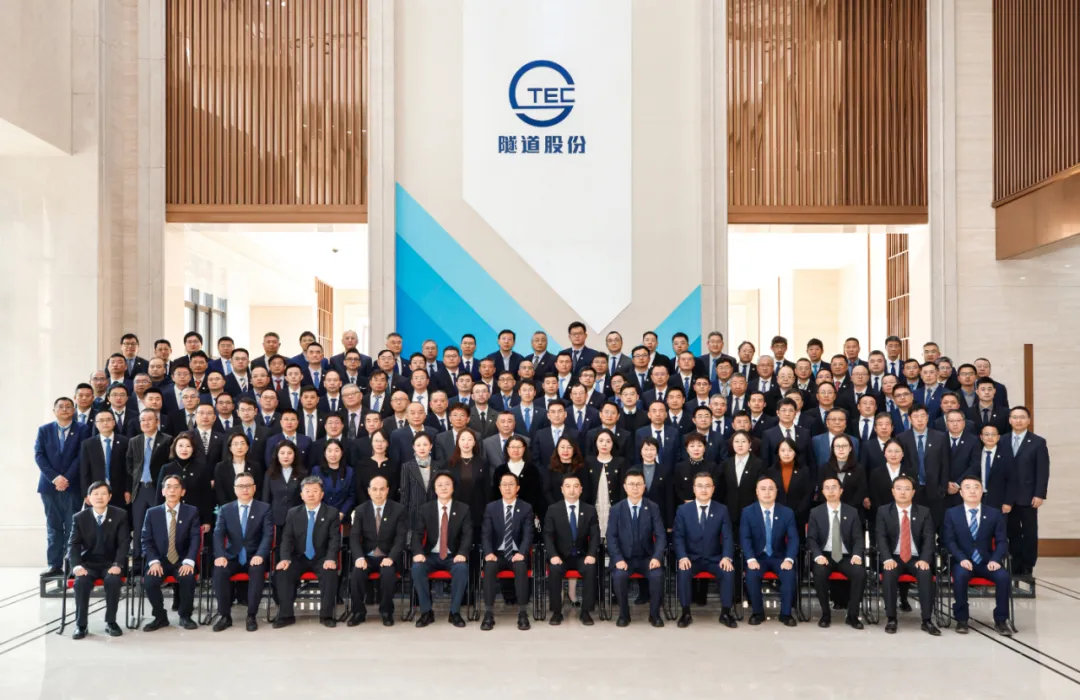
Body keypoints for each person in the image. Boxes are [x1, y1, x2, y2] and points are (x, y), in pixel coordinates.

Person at [943, 476, 1012, 636]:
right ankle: (961, 619)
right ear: (961, 492)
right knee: (960, 576)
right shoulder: (952, 513)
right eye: (967, 487)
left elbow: (1002, 541)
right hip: (963, 561)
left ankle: (1001, 620)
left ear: (982, 492)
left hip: (987, 562)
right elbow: (949, 541)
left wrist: (995, 559)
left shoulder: (994, 513)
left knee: (1003, 577)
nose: (972, 491)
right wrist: (961, 558)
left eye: (976, 487)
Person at [273, 476, 342, 628]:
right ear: (301, 495)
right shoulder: (293, 513)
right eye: (307, 491)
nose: (311, 494)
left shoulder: (331, 513)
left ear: (322, 494)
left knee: (329, 573)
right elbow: (287, 538)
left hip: (322, 557)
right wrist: (285, 558)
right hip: (299, 556)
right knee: (283, 572)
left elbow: (334, 539)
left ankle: (327, 616)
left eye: (315, 491)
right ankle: (286, 615)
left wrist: (331, 558)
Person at [876, 474, 940, 635]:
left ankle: (927, 620)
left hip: (916, 557)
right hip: (894, 557)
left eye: (906, 489)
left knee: (925, 573)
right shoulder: (883, 511)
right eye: (899, 489)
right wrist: (887, 558)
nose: (902, 492)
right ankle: (891, 618)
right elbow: (881, 537)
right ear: (893, 491)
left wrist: (925, 559)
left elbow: (929, 538)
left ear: (913, 492)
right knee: (889, 573)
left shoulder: (924, 512)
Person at [673, 473, 738, 629]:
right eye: (700, 486)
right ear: (694, 489)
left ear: (713, 489)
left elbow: (727, 536)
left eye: (707, 486)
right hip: (691, 558)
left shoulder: (722, 509)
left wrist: (727, 557)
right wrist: (682, 557)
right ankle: (686, 613)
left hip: (715, 558)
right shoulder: (683, 510)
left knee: (728, 571)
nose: (704, 490)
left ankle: (726, 613)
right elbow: (678, 537)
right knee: (683, 572)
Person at [35, 397, 91, 577]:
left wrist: (66, 478)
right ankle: (54, 564)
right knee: (53, 526)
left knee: (72, 527)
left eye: (68, 406)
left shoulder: (83, 429)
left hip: (72, 486)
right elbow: (39, 456)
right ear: (54, 411)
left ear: (74, 410)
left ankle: (71, 565)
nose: (65, 409)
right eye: (61, 407)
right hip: (49, 486)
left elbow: (82, 456)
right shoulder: (44, 430)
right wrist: (55, 478)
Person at [211, 472, 272, 632]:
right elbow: (218, 534)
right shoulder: (226, 509)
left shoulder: (264, 508)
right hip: (232, 556)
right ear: (235, 489)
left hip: (254, 556)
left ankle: (251, 615)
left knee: (257, 572)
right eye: (241, 486)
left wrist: (260, 554)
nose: (245, 489)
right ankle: (225, 616)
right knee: (219, 572)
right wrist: (220, 555)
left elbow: (268, 535)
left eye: (248, 486)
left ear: (254, 488)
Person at [68, 481, 129, 639]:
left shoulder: (120, 515)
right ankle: (81, 625)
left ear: (109, 497)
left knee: (113, 581)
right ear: (89, 498)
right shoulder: (79, 518)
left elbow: (124, 543)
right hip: (88, 564)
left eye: (103, 493)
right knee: (81, 582)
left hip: (110, 563)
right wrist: (76, 566)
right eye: (95, 494)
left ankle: (111, 622)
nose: (99, 497)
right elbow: (73, 545)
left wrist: (118, 564)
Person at [411, 471, 473, 628]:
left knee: (461, 568)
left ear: (453, 488)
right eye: (439, 485)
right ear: (434, 489)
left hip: (453, 555)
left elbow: (467, 535)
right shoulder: (426, 509)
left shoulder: (463, 509)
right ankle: (426, 612)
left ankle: (455, 612)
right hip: (431, 555)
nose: (443, 488)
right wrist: (418, 553)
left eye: (447, 484)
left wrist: (462, 553)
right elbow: (417, 534)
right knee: (417, 568)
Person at [606, 470, 666, 627]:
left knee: (657, 575)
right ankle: (624, 615)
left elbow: (660, 535)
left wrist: (657, 557)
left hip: (647, 558)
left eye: (639, 484)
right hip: (624, 559)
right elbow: (611, 537)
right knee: (619, 576)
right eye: (631, 484)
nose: (635, 488)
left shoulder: (652, 507)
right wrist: (618, 559)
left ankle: (654, 615)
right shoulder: (616, 509)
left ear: (644, 487)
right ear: (625, 487)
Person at [141, 475, 200, 631]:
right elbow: (146, 540)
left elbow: (195, 539)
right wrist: (153, 561)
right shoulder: (152, 513)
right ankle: (160, 617)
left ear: (183, 491)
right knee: (150, 581)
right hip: (159, 560)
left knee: (188, 577)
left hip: (181, 560)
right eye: (168, 487)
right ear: (162, 491)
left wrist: (189, 561)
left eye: (176, 487)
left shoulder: (191, 511)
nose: (172, 490)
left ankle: (185, 616)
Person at [807, 476, 866, 629]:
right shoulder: (816, 512)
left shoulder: (852, 512)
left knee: (860, 573)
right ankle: (825, 614)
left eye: (834, 487)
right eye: (827, 488)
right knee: (819, 572)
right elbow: (811, 538)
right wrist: (818, 555)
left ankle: (852, 615)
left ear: (841, 491)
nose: (831, 491)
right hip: (825, 555)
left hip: (846, 556)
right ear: (822, 492)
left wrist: (857, 555)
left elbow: (858, 538)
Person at [348, 475, 406, 627]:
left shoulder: (398, 510)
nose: (378, 493)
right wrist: (359, 557)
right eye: (374, 489)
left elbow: (401, 538)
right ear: (369, 491)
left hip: (387, 556)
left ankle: (386, 611)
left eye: (382, 489)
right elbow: (354, 537)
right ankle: (358, 612)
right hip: (367, 556)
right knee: (356, 574)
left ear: (387, 490)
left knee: (388, 574)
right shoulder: (361, 510)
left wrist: (391, 557)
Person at [741, 475, 799, 626]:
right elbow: (745, 538)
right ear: (757, 492)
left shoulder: (787, 512)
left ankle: (786, 614)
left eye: (771, 489)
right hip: (757, 557)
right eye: (763, 489)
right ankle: (757, 613)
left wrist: (789, 559)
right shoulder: (747, 512)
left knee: (789, 574)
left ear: (776, 491)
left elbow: (793, 538)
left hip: (779, 556)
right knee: (752, 575)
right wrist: (750, 559)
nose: (767, 492)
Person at [480, 473, 535, 631]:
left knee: (521, 567)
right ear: (499, 488)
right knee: (489, 567)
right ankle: (488, 613)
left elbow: (528, 534)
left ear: (517, 488)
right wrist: (488, 552)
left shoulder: (526, 508)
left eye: (511, 484)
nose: (508, 488)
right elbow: (486, 534)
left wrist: (522, 553)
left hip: (517, 553)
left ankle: (522, 613)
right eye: (504, 484)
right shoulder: (491, 508)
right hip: (497, 553)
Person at [543, 474, 599, 626]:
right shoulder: (553, 509)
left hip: (582, 556)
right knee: (554, 570)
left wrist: (591, 554)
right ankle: (556, 612)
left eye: (576, 486)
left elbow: (595, 536)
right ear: (562, 489)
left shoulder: (590, 510)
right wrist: (553, 555)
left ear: (581, 489)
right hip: (560, 556)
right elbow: (547, 535)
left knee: (591, 568)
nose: (572, 490)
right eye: (568, 486)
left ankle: (586, 612)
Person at [1005, 406, 1049, 577]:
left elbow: (1042, 471)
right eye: (1015, 417)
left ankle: (1028, 565)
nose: (1018, 420)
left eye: (1022, 417)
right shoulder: (1002, 440)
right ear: (1010, 420)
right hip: (1007, 497)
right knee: (1012, 532)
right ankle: (1014, 565)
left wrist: (1039, 494)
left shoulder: (1038, 442)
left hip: (1029, 496)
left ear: (1029, 421)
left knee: (1029, 532)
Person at [897, 404, 950, 529]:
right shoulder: (902, 438)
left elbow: (945, 463)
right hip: (912, 489)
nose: (919, 420)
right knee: (915, 524)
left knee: (935, 522)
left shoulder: (940, 437)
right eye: (915, 416)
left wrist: (943, 488)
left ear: (927, 417)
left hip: (935, 489)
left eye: (922, 416)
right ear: (909, 419)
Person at [157, 432, 214, 534]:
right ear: (174, 448)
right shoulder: (166, 468)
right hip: (170, 516)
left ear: (193, 449)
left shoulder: (202, 469)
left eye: (188, 446)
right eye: (180, 446)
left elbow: (207, 496)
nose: (184, 449)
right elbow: (159, 495)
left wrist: (207, 520)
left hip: (195, 517)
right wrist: (158, 517)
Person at [400, 432, 443, 546]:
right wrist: (404, 516)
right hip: (414, 513)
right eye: (418, 445)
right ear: (413, 447)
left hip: (434, 511)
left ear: (431, 446)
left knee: (432, 544)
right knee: (414, 545)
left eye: (425, 444)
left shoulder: (438, 466)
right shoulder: (407, 467)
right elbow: (404, 493)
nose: (422, 448)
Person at [79, 411, 128, 508]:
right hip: (96, 491)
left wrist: (128, 490)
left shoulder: (125, 441)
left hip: (120, 490)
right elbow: (84, 470)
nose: (105, 423)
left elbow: (128, 469)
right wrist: (86, 493)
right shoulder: (88, 444)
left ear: (114, 422)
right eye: (101, 421)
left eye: (108, 420)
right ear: (96, 424)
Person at [448, 429, 492, 534]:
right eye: (462, 439)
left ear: (474, 442)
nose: (466, 443)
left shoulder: (482, 462)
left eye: (469, 439)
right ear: (458, 442)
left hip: (477, 510)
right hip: (456, 510)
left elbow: (487, 489)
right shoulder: (450, 463)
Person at [768, 438, 814, 535]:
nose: (786, 454)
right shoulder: (771, 471)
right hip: (776, 515)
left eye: (790, 450)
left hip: (798, 516)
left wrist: (797, 512)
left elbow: (808, 494)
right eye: (783, 450)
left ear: (795, 452)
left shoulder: (804, 471)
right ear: (778, 452)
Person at [263, 441, 307, 536]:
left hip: (297, 518)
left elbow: (305, 499)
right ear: (277, 455)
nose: (286, 456)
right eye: (282, 453)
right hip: (276, 520)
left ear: (294, 455)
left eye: (289, 453)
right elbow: (266, 498)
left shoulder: (302, 473)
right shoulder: (270, 474)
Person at [312, 438, 356, 524]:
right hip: (320, 515)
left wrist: (342, 513)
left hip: (342, 517)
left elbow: (351, 496)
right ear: (324, 453)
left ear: (341, 453)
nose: (333, 454)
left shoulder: (349, 472)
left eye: (336, 450)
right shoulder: (316, 471)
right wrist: (324, 512)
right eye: (329, 451)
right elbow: (314, 493)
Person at [214, 432, 263, 506]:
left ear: (247, 447)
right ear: (230, 448)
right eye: (235, 444)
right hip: (228, 507)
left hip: (251, 507)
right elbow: (220, 492)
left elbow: (258, 489)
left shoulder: (255, 467)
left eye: (242, 443)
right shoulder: (221, 467)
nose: (239, 447)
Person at [355, 429, 400, 504]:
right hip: (365, 506)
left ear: (387, 443)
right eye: (376, 441)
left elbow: (394, 488)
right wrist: (368, 506)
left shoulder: (394, 464)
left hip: (388, 506)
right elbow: (359, 489)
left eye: (383, 441)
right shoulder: (361, 464)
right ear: (371, 443)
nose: (379, 444)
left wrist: (384, 505)